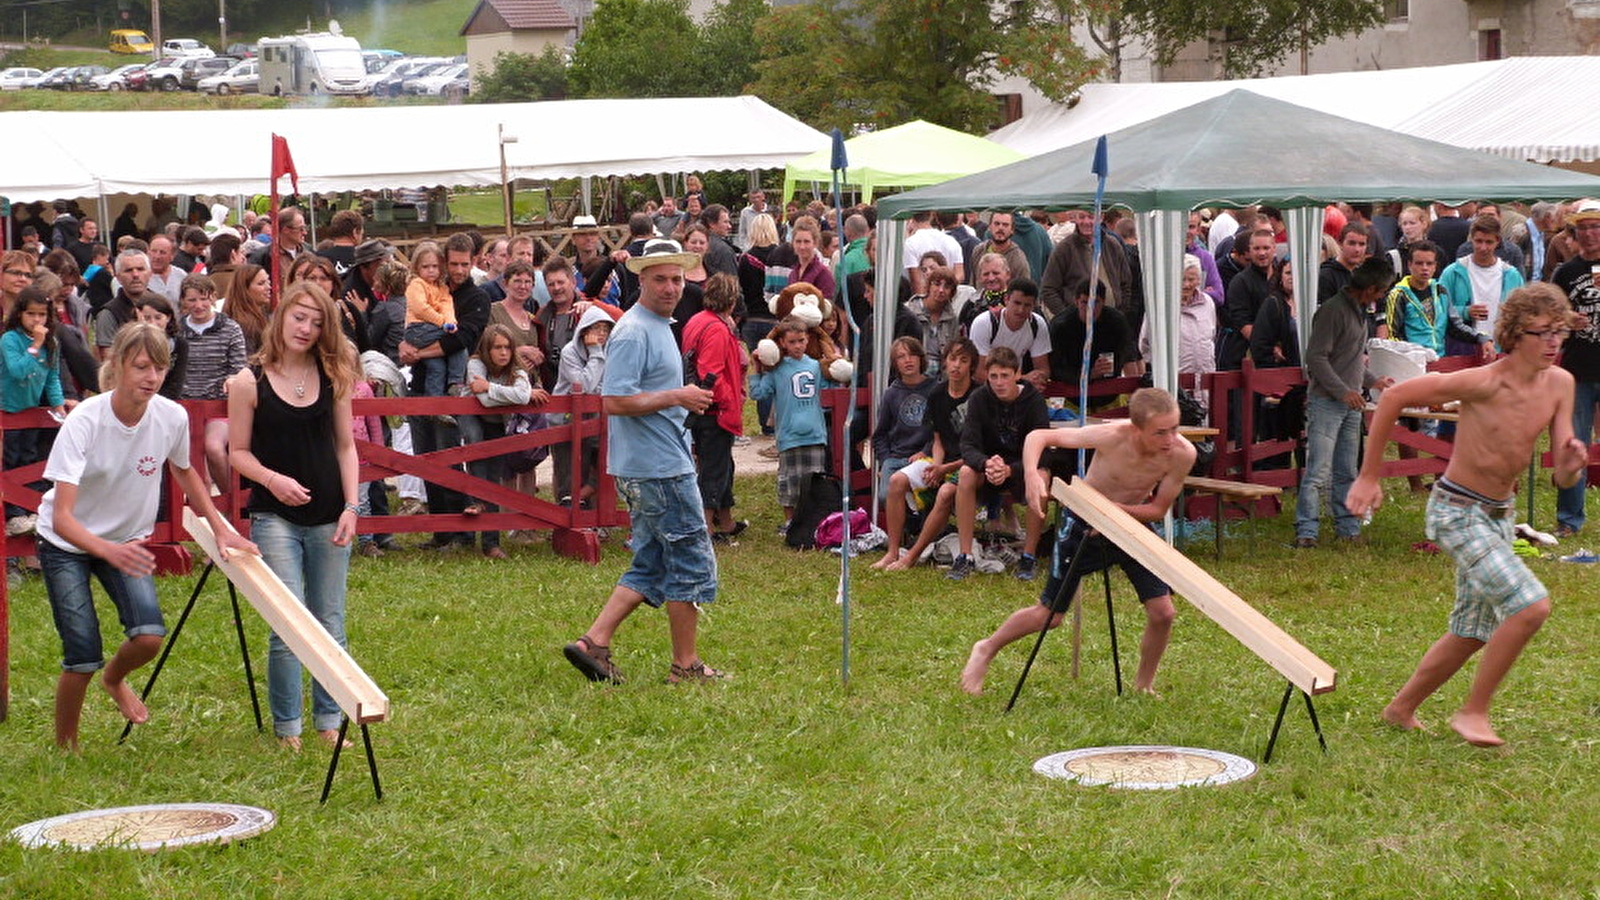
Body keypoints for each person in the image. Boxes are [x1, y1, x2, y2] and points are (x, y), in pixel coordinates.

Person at [1347, 284, 1585, 747]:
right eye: (1542, 333)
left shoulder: (1561, 384)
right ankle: (1473, 712)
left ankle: (1400, 709)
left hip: (1499, 516)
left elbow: (1563, 475)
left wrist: (1572, 466)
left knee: (1472, 631)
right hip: (1456, 511)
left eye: (1560, 332)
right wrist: (1369, 476)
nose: (1553, 342)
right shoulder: (1483, 381)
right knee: (1531, 606)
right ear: (1514, 334)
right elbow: (1395, 398)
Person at [38, 323, 254, 749]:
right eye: (141, 367)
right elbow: (62, 519)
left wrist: (220, 528)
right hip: (66, 544)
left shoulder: (171, 416)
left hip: (125, 540)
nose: (151, 377)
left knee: (149, 636)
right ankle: (66, 748)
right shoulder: (85, 420)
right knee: (82, 653)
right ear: (117, 364)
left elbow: (185, 472)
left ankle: (114, 680)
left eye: (159, 367)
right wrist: (108, 551)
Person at [561, 238, 724, 686]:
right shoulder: (634, 330)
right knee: (689, 560)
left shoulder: (657, 325)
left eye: (677, 279)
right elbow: (613, 400)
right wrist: (677, 396)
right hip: (658, 468)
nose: (671, 287)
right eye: (661, 280)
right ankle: (686, 666)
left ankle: (594, 642)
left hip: (652, 462)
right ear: (641, 280)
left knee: (652, 561)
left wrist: (681, 400)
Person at [959, 387, 1193, 696]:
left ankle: (1143, 686)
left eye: (1174, 428)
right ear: (1136, 429)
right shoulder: (1111, 436)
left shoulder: (1182, 454)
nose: (1171, 439)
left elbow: (1158, 509)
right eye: (1160, 432)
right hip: (1082, 523)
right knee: (1050, 616)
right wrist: (1031, 474)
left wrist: (1112, 513)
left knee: (1163, 613)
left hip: (1130, 525)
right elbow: (1039, 437)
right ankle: (986, 649)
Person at [226, 281, 362, 750]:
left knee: (330, 622)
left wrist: (352, 506)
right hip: (275, 516)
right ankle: (288, 729)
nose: (305, 328)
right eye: (299, 317)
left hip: (330, 513)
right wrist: (271, 480)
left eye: (317, 322)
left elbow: (346, 446)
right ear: (281, 316)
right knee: (287, 625)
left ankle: (329, 720)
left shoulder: (333, 375)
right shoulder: (249, 381)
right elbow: (237, 452)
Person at [1293, 258, 1397, 548]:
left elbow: (1350, 359)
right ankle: (1306, 530)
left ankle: (1348, 527)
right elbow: (1316, 358)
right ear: (1370, 288)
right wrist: (1343, 392)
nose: (1381, 296)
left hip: (1350, 402)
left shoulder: (1359, 311)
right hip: (1328, 402)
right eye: (1382, 291)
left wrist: (1373, 381)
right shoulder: (1332, 311)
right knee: (1318, 471)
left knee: (1347, 470)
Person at [874, 338, 978, 570]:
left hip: (968, 464)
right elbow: (938, 438)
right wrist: (936, 466)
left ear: (972, 365)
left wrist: (942, 468)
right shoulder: (937, 393)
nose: (956, 365)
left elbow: (977, 450)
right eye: (952, 359)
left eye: (963, 360)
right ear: (944, 362)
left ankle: (911, 555)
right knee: (896, 481)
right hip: (938, 459)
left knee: (944, 492)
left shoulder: (979, 395)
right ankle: (892, 551)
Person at [948, 347, 1049, 581]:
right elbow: (968, 445)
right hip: (988, 468)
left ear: (1018, 374)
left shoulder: (1034, 400)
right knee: (965, 473)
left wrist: (1011, 470)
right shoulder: (979, 398)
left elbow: (1043, 451)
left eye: (1005, 376)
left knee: (1042, 476)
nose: (999, 382)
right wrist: (986, 464)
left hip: (1021, 467)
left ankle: (1028, 556)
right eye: (993, 376)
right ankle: (965, 556)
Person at [459, 324, 541, 558]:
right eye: (497, 348)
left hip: (496, 422)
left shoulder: (517, 368)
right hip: (472, 416)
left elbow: (521, 394)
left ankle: (491, 543)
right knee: (475, 446)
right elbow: (484, 401)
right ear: (487, 349)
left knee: (494, 479)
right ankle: (476, 501)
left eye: (507, 347)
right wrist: (512, 395)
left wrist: (489, 387)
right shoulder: (475, 364)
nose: (503, 352)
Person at [682, 273, 748, 539]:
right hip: (714, 410)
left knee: (722, 465)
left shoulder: (698, 320)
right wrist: (731, 399)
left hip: (701, 407)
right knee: (714, 469)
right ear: (731, 301)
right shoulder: (716, 329)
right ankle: (706, 527)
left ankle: (726, 520)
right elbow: (711, 372)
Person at [750, 317, 831, 533]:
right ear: (782, 343)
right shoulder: (777, 369)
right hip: (789, 437)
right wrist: (757, 369)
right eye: (792, 342)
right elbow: (758, 393)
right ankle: (790, 523)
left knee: (814, 481)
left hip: (815, 434)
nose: (797, 346)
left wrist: (836, 366)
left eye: (801, 341)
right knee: (789, 482)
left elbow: (829, 390)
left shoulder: (816, 366)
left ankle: (813, 523)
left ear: (808, 340)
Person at [3, 286, 69, 535]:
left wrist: (59, 408)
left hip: (31, 411)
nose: (37, 320)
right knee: (11, 460)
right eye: (31, 314)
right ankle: (14, 514)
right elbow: (18, 370)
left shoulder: (52, 343)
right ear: (20, 314)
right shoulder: (10, 340)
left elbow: (52, 378)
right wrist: (36, 344)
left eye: (42, 314)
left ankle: (33, 510)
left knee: (30, 459)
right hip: (8, 411)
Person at [1552, 199, 1600, 536]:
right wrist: (1568, 319)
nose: (1589, 234)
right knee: (1573, 444)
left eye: (1595, 227)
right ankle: (1569, 520)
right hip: (1577, 371)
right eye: (1582, 228)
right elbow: (1549, 314)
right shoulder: (1566, 272)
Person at [177, 274, 247, 492]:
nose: (198, 305)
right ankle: (200, 505)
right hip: (185, 405)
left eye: (203, 299)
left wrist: (232, 380)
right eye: (192, 300)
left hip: (219, 405)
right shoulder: (176, 330)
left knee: (213, 448)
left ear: (213, 298)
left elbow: (238, 367)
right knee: (191, 462)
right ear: (183, 301)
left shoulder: (230, 328)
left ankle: (231, 499)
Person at [1438, 215, 1526, 357]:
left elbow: (1522, 314)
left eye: (1489, 242)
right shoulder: (1452, 272)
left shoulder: (1512, 275)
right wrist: (1465, 312)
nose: (1483, 247)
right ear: (1471, 239)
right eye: (1478, 241)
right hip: (1463, 350)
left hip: (1502, 351)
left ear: (1498, 241)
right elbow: (1439, 310)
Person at [871, 336, 938, 497]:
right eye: (901, 356)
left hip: (925, 457)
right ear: (895, 363)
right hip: (896, 458)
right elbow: (880, 435)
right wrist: (885, 461)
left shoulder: (936, 390)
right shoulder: (891, 393)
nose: (908, 360)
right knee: (885, 496)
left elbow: (942, 431)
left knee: (926, 496)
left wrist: (926, 451)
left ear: (920, 358)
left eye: (912, 354)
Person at [969, 277, 1051, 389]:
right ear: (1006, 299)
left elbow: (1043, 369)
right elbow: (979, 373)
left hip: (1018, 387)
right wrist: (1021, 379)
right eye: (1017, 303)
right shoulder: (984, 323)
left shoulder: (1037, 324)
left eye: (1027, 305)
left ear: (1033, 306)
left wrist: (1037, 378)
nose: (1021, 310)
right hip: (986, 389)